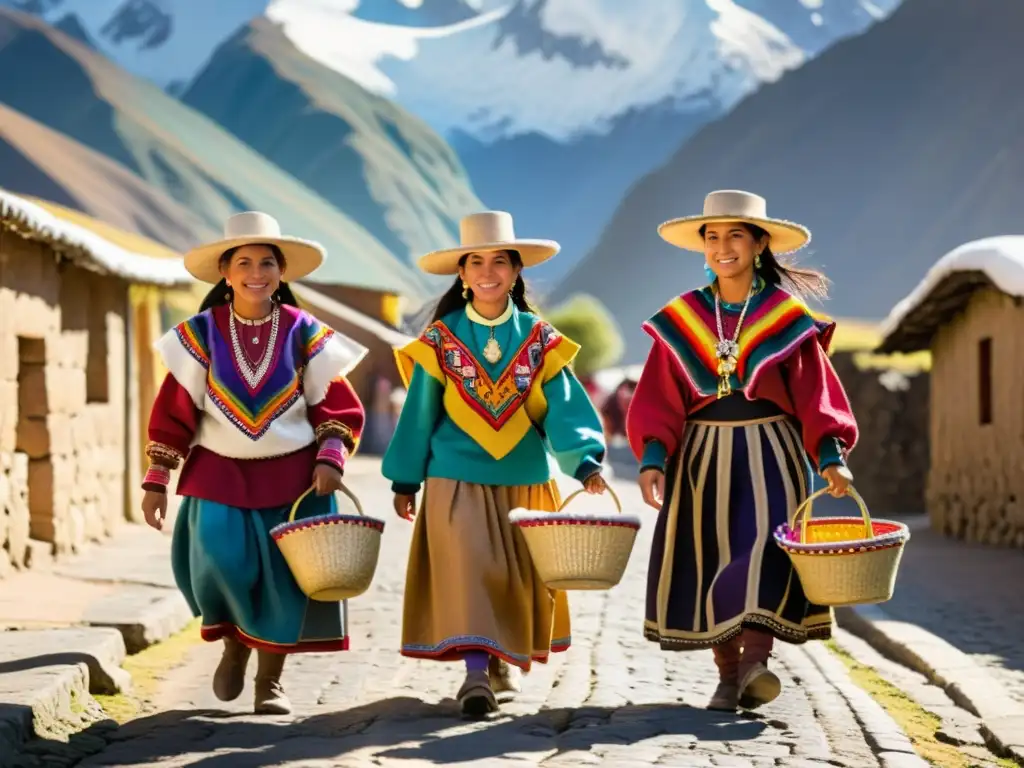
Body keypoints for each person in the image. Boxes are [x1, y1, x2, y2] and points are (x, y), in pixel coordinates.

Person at [626, 190, 858, 712]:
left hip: (770, 454)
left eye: (735, 235)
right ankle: (728, 675)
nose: (722, 247)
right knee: (709, 559)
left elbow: (814, 390)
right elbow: (659, 395)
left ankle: (756, 661)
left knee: (762, 552)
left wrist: (829, 453)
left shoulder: (784, 316)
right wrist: (652, 457)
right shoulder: (683, 317)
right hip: (701, 459)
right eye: (712, 237)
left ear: (758, 244)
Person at [382, 211, 609, 717]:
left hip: (524, 482)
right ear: (461, 274)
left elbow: (565, 409)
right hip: (453, 480)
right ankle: (475, 676)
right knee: (472, 571)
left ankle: (497, 660)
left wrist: (586, 463)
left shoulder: (541, 340)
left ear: (516, 270)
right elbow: (419, 413)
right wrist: (404, 477)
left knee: (511, 580)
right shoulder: (439, 342)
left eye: (500, 261)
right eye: (476, 262)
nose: (488, 271)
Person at [140, 212, 368, 715]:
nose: (256, 271)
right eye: (243, 262)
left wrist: (331, 456)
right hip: (217, 475)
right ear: (225, 272)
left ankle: (271, 683)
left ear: (281, 272)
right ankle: (234, 644)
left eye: (267, 262)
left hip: (294, 480)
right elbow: (173, 412)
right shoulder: (197, 336)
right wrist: (157, 480)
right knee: (222, 563)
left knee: (285, 584)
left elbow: (338, 407)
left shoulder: (305, 333)